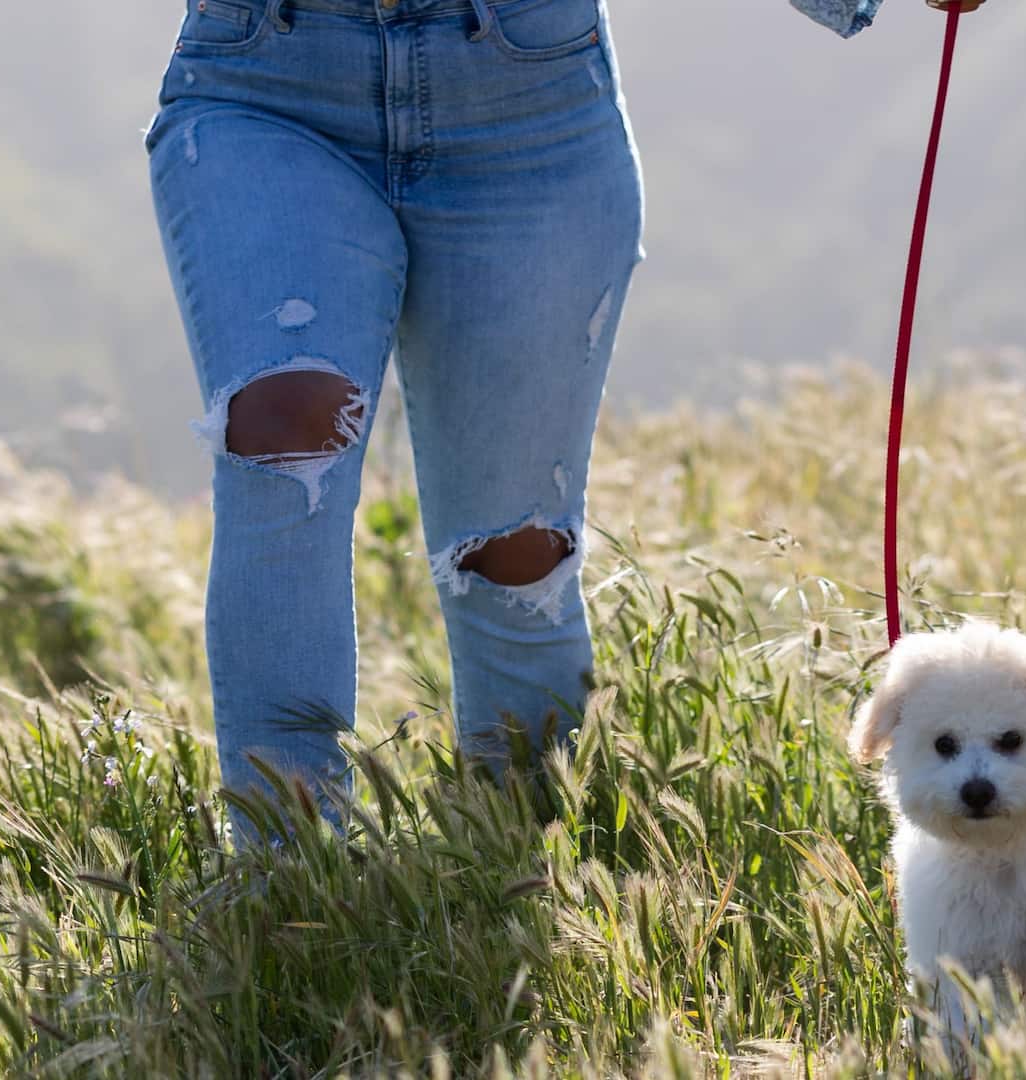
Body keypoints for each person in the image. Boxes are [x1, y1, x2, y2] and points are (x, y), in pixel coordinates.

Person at [142, 0, 982, 831]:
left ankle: (523, 854)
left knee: (512, 547)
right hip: (266, 81)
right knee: (286, 433)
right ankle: (288, 878)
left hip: (529, 98)